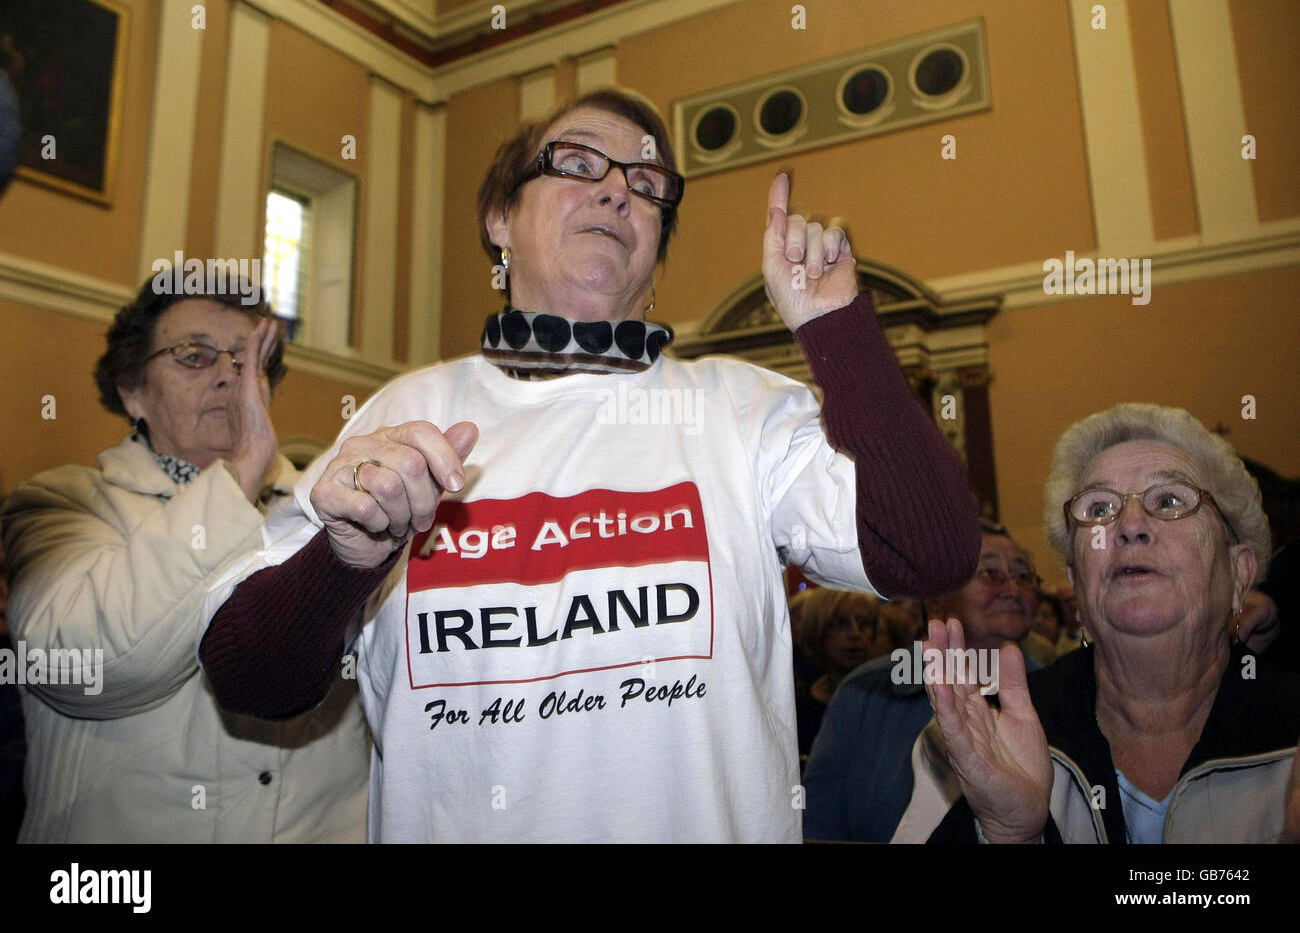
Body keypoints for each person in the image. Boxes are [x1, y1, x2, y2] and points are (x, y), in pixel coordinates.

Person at [198, 88, 979, 843]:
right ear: (500, 218)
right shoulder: (400, 417)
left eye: (645, 184)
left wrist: (837, 328)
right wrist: (347, 559)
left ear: (655, 244)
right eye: (576, 164)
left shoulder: (743, 412)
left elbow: (931, 547)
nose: (615, 193)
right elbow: (248, 678)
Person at [0, 276, 370, 842]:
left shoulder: (336, 509)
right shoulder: (63, 502)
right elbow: (88, 665)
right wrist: (242, 466)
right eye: (193, 356)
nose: (229, 374)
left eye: (249, 360)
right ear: (133, 392)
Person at [915, 403, 1300, 843]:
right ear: (1077, 583)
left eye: (1169, 501)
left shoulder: (1290, 732)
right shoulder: (988, 732)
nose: (1129, 525)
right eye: (1099, 509)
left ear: (1239, 574)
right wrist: (1007, 833)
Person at [803, 520, 1040, 842]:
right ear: (937, 597)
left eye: (1024, 576)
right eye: (990, 572)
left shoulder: (1061, 692)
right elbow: (818, 824)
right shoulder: (869, 691)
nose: (1013, 589)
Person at [792, 588, 881, 756]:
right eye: (840, 624)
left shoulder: (887, 696)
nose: (855, 634)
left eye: (864, 623)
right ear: (817, 628)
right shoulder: (796, 704)